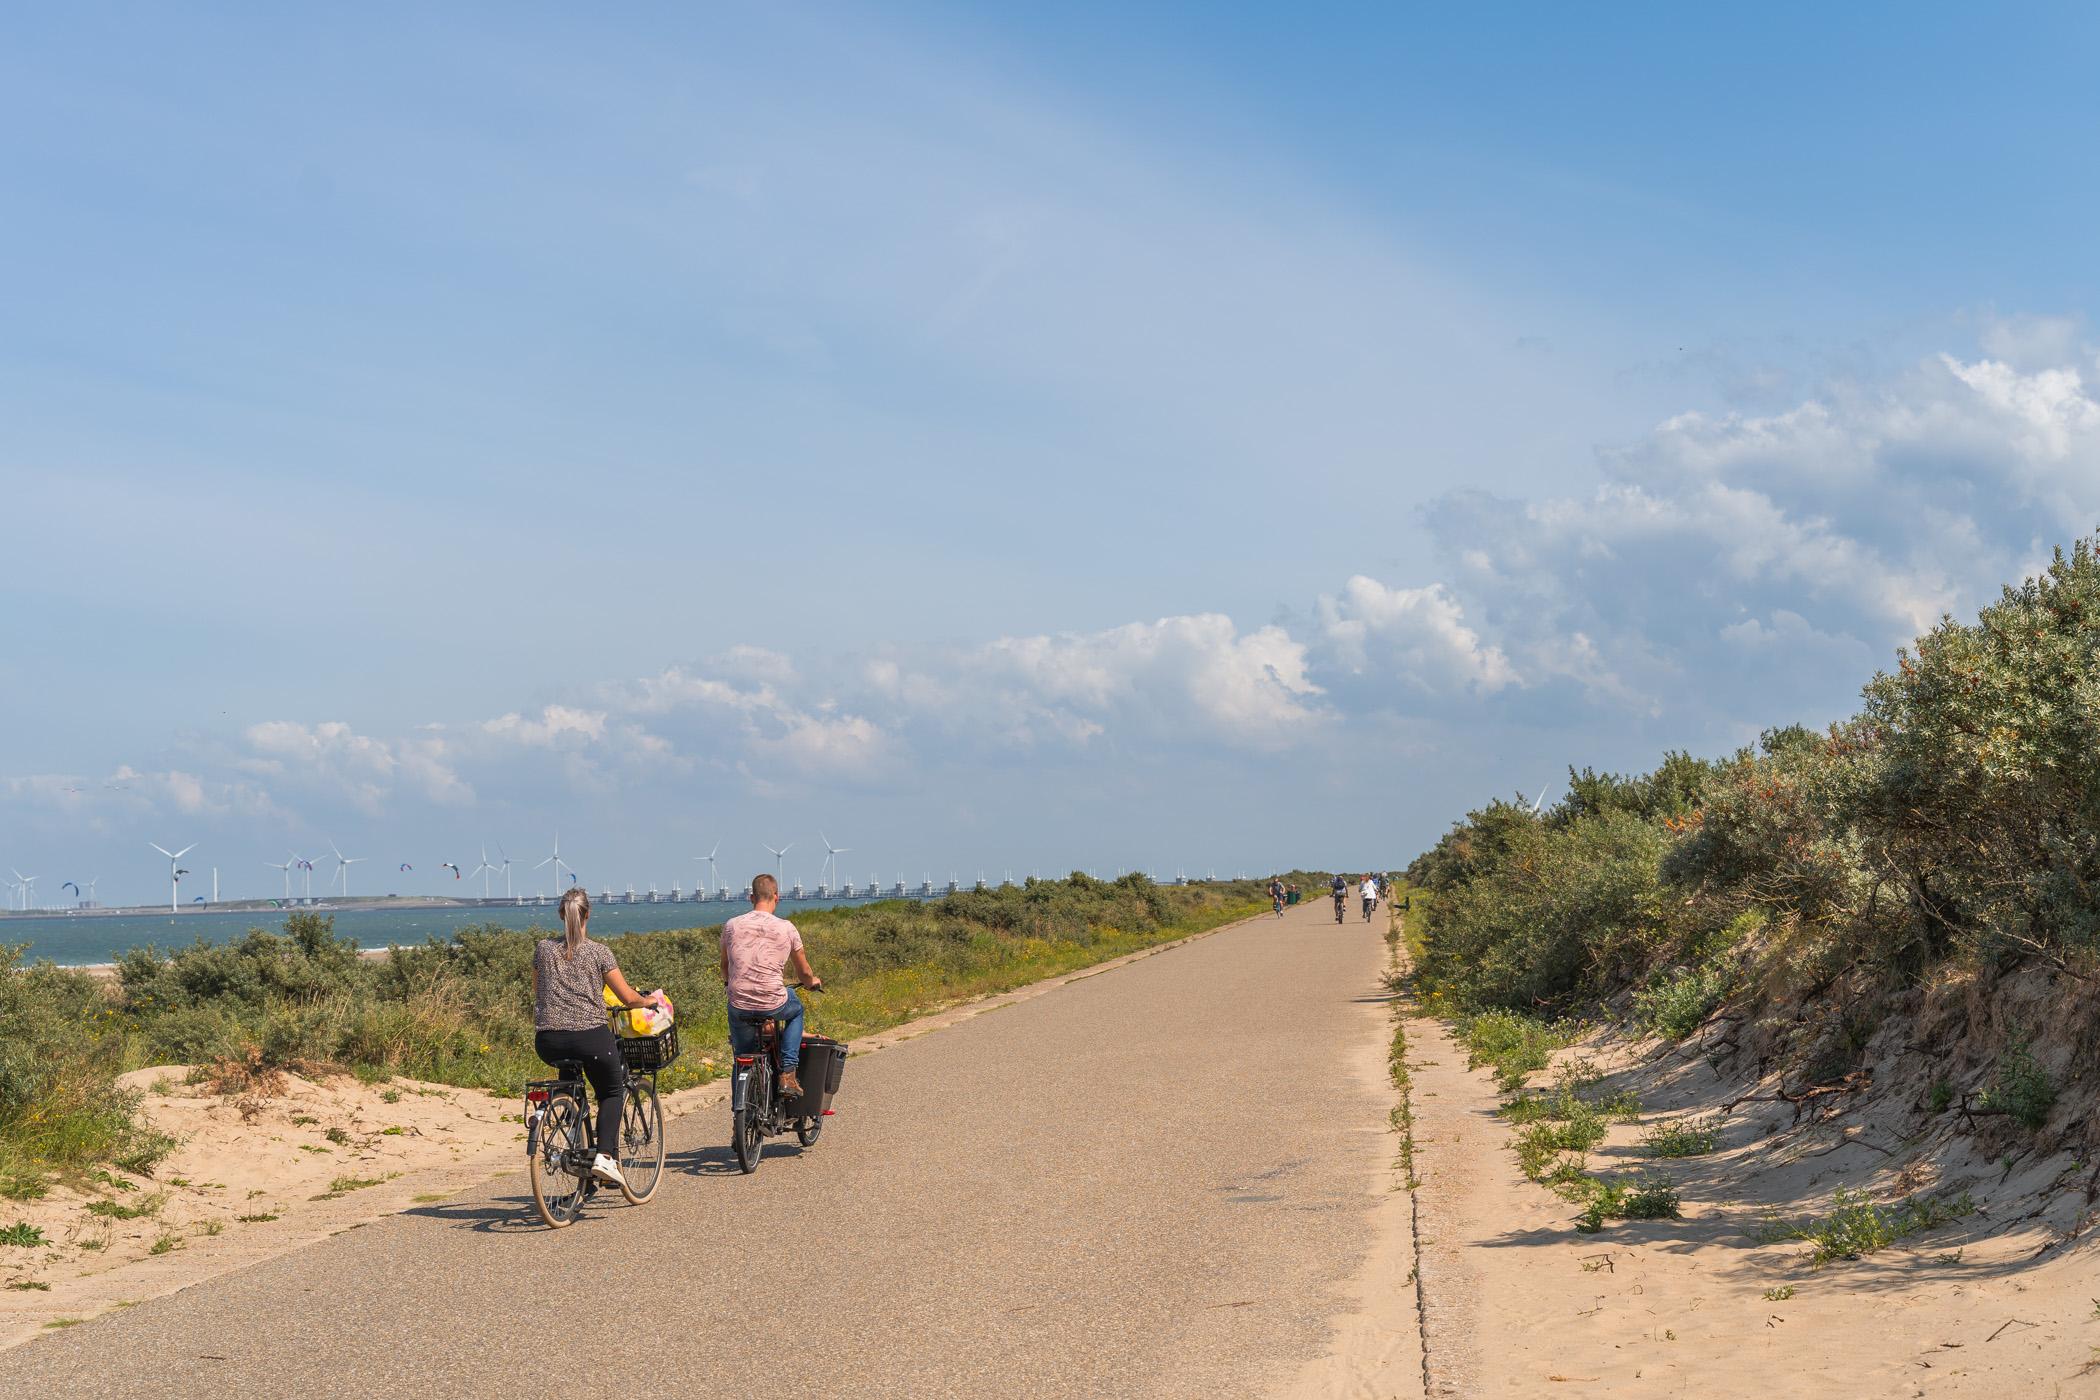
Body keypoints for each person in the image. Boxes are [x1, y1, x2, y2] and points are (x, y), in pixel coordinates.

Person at [532, 888, 670, 1189]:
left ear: (559, 915)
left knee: (571, 1082)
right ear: (588, 914)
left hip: (547, 1040)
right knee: (611, 1092)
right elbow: (627, 997)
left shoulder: (543, 949)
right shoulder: (599, 952)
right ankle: (605, 1157)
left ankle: (574, 1141)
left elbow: (538, 990)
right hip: (590, 1037)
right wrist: (646, 1001)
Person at [721, 873, 824, 1099]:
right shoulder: (787, 928)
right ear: (776, 897)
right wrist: (812, 983)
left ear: (751, 897)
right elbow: (804, 972)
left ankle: (737, 1118)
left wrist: (731, 985)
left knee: (742, 1057)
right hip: (773, 1002)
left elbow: (725, 966)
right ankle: (788, 1073)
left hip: (739, 1003)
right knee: (796, 1010)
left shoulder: (731, 926)